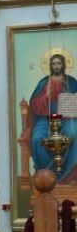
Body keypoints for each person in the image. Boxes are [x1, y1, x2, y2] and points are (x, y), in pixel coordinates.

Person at [28, 53, 77, 181]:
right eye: (53, 63)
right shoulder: (44, 82)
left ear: (64, 65)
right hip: (45, 118)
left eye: (59, 63)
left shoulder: (71, 81)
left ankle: (69, 173)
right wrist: (46, 94)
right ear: (50, 66)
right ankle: (47, 173)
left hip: (67, 117)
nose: (56, 66)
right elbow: (34, 104)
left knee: (73, 132)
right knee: (37, 137)